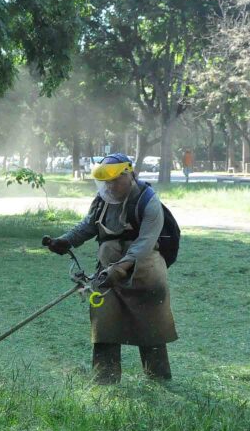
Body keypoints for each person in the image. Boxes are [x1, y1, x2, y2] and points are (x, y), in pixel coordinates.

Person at [43, 153, 178, 384]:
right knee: (104, 324)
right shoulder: (103, 199)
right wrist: (65, 241)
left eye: (115, 180)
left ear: (129, 174)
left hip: (145, 273)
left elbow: (145, 242)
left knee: (151, 327)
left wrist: (122, 267)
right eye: (106, 182)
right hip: (107, 274)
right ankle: (105, 379)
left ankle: (159, 379)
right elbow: (88, 225)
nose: (110, 186)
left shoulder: (149, 201)